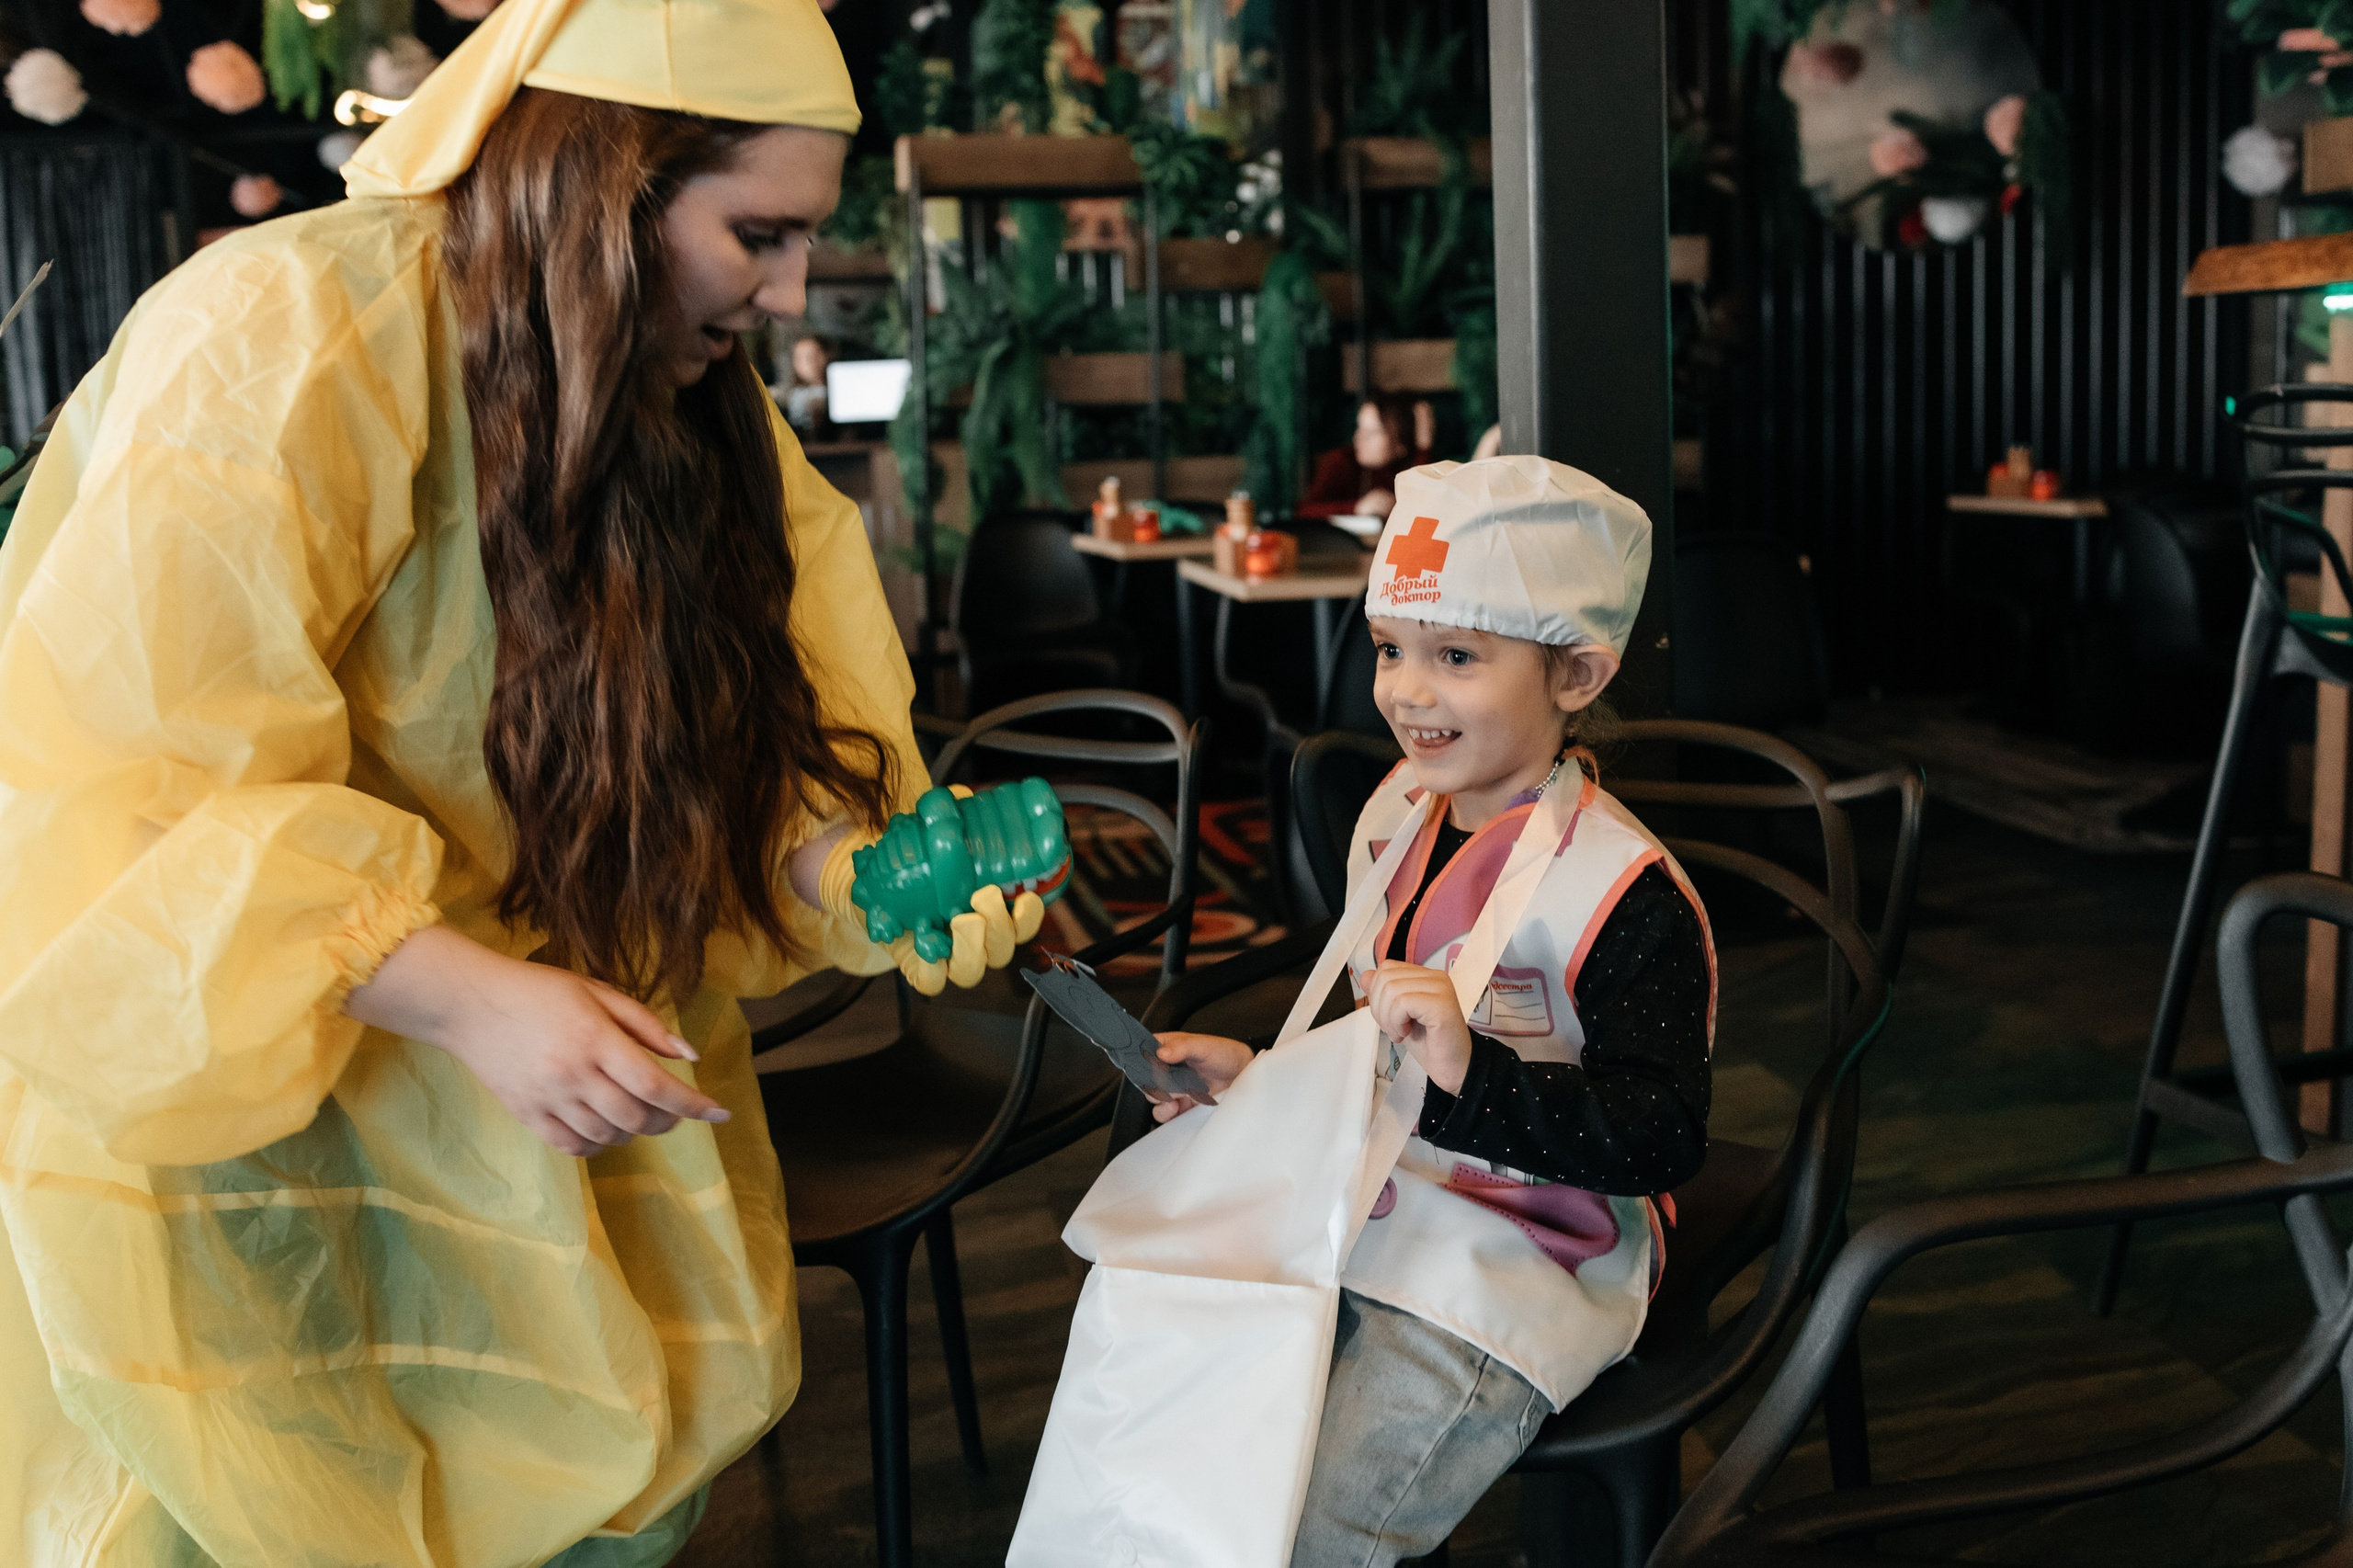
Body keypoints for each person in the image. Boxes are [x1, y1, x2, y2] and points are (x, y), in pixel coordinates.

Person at [0, 0, 1031, 1563]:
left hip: (557, 1161)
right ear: (603, 179)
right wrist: (464, 993)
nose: (792, 290)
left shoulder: (686, 400)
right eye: (758, 232)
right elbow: (124, 781)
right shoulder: (291, 331)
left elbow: (742, 745)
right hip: (269, 1151)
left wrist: (850, 872)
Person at [1151, 457, 1714, 1567]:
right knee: (1200, 1437)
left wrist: (1476, 1073)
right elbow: (1370, 1041)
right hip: (1377, 1195)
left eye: (1457, 655)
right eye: (1392, 649)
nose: (1409, 690)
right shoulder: (1393, 818)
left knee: (1318, 1526)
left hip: (1534, 1249)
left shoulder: (1623, 893)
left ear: (1577, 672)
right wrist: (1259, 1077)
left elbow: (1663, 1135)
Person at [1296, 391, 1435, 519]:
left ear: (1401, 443)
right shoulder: (1341, 461)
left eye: (1374, 432)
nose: (1360, 437)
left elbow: (1425, 510)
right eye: (1359, 427)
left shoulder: (1410, 471)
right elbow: (1304, 511)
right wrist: (1357, 508)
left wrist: (1424, 449)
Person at [779, 332, 833, 434]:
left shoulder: (841, 388)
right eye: (801, 358)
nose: (810, 362)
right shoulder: (795, 396)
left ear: (826, 355)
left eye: (814, 355)